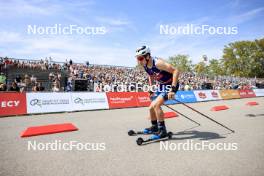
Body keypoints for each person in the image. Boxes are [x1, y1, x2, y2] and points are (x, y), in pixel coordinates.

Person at [136, 46, 180, 139]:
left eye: (140, 58)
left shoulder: (158, 63)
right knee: (151, 107)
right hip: (162, 85)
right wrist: (151, 88)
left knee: (156, 105)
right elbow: (151, 76)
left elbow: (176, 71)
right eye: (137, 58)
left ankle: (162, 131)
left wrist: (172, 89)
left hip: (170, 84)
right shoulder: (145, 65)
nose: (138, 61)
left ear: (147, 56)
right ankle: (155, 127)